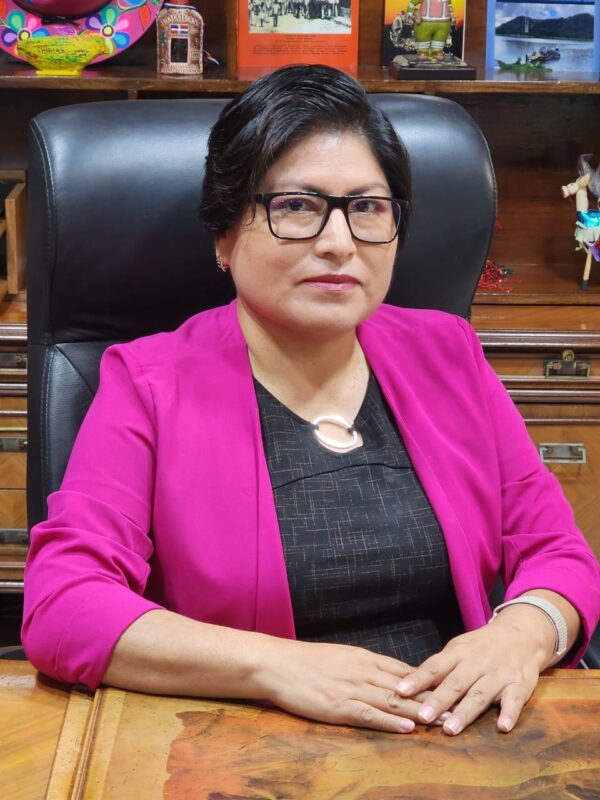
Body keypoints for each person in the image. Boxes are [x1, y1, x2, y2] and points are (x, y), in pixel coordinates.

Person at [22, 65, 600, 738]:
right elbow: (64, 604)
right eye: (296, 206)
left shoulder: (448, 353)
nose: (338, 242)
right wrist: (275, 668)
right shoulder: (148, 384)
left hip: (459, 739)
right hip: (253, 751)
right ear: (224, 234)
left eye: (368, 208)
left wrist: (523, 632)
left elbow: (558, 551)